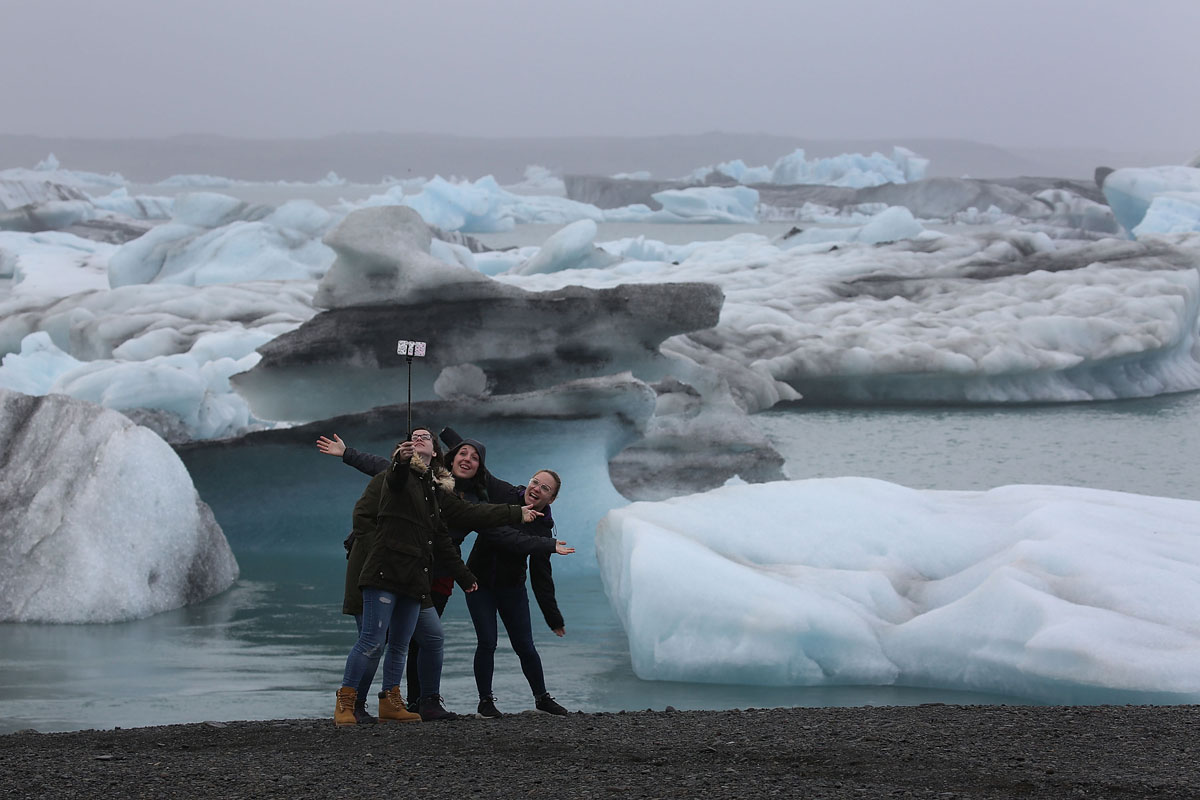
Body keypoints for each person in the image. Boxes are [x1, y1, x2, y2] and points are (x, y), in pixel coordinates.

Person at [320, 431, 574, 715]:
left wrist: (532, 535)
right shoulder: (408, 476)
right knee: (377, 640)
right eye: (462, 454)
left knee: (416, 639)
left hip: (431, 571)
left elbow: (474, 527)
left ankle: (417, 701)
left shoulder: (458, 493)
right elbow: (383, 472)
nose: (468, 460)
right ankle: (356, 704)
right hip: (385, 565)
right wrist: (347, 453)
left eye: (475, 458)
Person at [464, 467, 571, 718]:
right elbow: (482, 472)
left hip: (511, 587)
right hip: (479, 585)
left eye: (545, 488)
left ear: (551, 499)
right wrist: (456, 442)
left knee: (525, 645)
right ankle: (485, 701)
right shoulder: (505, 494)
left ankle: (542, 697)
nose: (536, 489)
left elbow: (541, 577)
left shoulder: (543, 530)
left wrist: (553, 617)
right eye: (535, 482)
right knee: (487, 642)